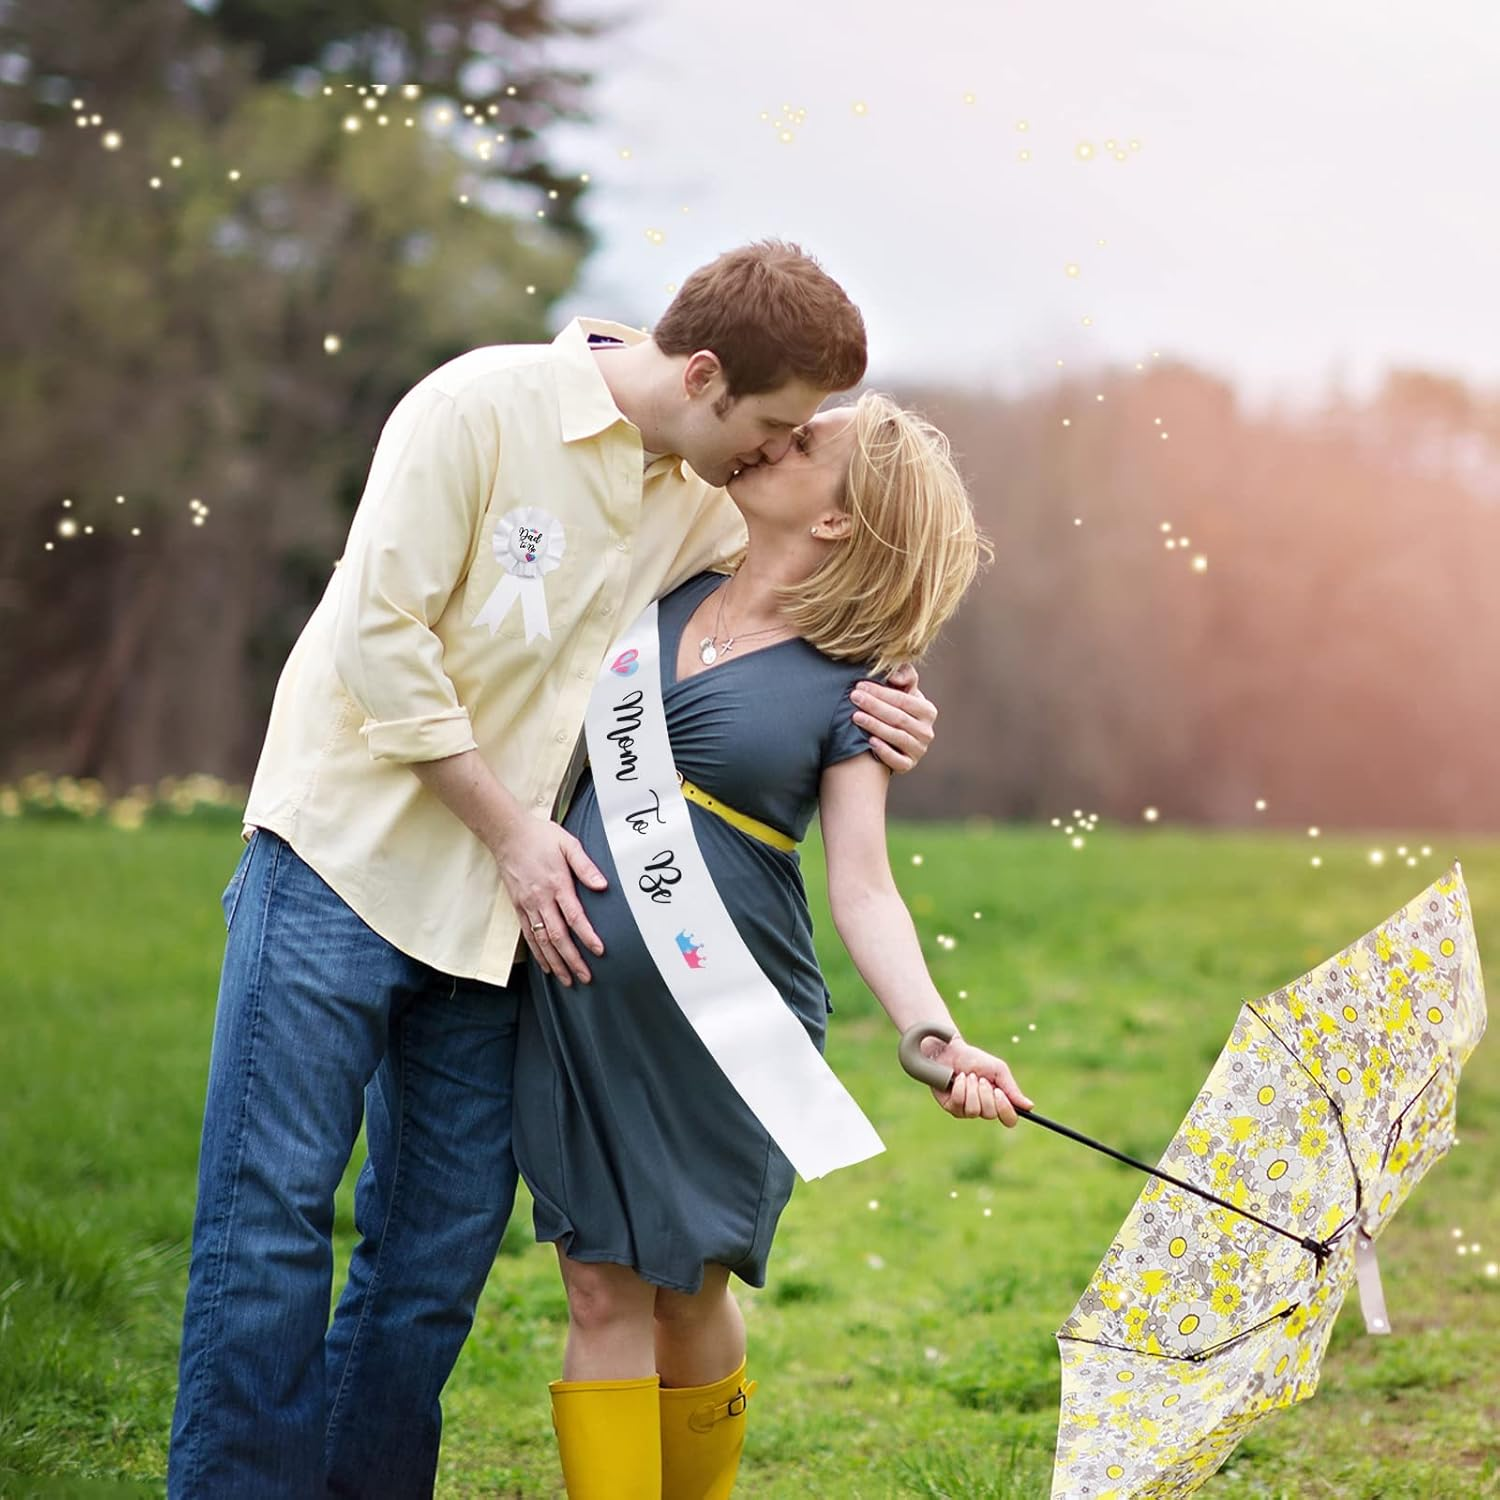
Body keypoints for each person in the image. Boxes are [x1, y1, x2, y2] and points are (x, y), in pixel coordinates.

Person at [166, 242, 943, 1499]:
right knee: (269, 1228)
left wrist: (891, 702)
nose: (771, 454)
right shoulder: (479, 407)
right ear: (702, 374)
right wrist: (512, 827)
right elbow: (377, 637)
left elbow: (786, 622)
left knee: (427, 1271)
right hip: (344, 867)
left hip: (505, 938)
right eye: (775, 425)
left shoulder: (707, 494)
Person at [513, 390, 1034, 1498]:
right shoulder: (659, 593)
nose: (770, 441)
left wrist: (932, 1035)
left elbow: (866, 887)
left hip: (726, 1013)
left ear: (841, 520)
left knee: (688, 1288)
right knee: (600, 1288)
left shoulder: (862, 683)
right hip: (577, 1000)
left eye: (804, 444)